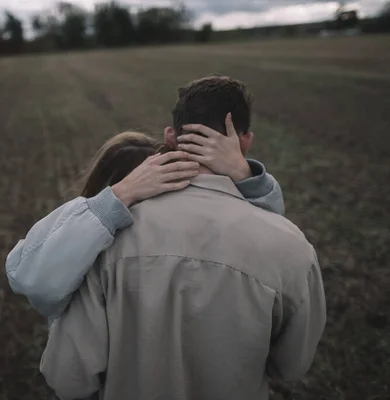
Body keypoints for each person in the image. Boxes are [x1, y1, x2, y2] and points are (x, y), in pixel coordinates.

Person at [38, 75, 326, 400]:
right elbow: (290, 367)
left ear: (170, 137)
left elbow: (68, 377)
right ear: (245, 142)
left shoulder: (105, 238)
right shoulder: (292, 247)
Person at [6, 131, 284, 320]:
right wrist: (119, 197)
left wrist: (245, 176)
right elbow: (31, 278)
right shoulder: (87, 254)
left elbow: (265, 244)